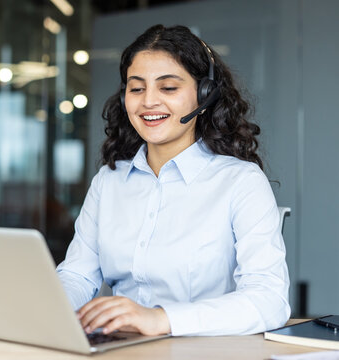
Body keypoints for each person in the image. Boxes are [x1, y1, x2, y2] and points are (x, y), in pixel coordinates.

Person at [56, 24, 290, 337]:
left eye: (168, 88)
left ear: (203, 95)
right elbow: (77, 275)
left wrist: (160, 319)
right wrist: (49, 308)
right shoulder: (108, 181)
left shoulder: (241, 182)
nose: (148, 101)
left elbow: (269, 301)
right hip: (119, 348)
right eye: (136, 88)